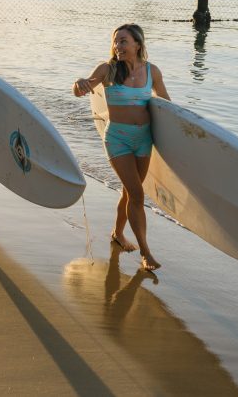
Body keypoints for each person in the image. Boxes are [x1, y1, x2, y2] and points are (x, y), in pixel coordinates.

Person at [72, 24, 170, 271]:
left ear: (138, 44)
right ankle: (146, 254)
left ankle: (117, 234)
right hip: (118, 139)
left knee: (129, 192)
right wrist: (80, 84)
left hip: (143, 140)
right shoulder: (108, 70)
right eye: (116, 42)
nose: (118, 46)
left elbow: (167, 105)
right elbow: (81, 88)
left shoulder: (152, 71)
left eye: (124, 41)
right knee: (137, 194)